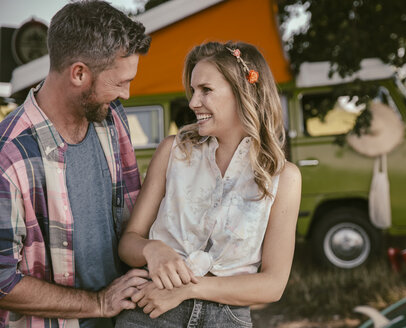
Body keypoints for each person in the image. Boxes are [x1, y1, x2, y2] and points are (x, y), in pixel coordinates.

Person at [115, 41, 302, 327]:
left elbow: (273, 285)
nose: (192, 102)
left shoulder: (283, 177)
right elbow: (128, 243)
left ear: (244, 93)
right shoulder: (172, 152)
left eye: (206, 90)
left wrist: (188, 289)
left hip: (226, 318)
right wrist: (152, 249)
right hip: (151, 311)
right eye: (193, 91)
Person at [0, 1, 151, 327]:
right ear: (79, 73)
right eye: (120, 82)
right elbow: (2, 283)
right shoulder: (8, 157)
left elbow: (132, 216)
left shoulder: (111, 119)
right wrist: (98, 302)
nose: (127, 93)